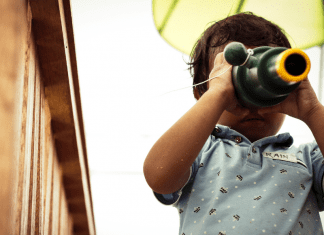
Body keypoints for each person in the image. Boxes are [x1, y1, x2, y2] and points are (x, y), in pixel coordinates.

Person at [143, 12, 324, 234]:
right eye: (236, 86)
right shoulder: (198, 153)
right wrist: (219, 93)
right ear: (202, 94)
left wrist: (312, 110)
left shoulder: (309, 160)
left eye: (266, 86)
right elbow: (159, 175)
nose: (253, 103)